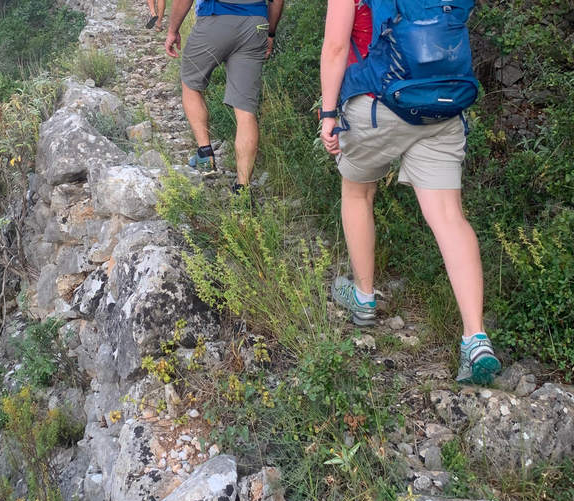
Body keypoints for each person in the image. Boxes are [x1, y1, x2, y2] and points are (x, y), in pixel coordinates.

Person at [319, 0, 502, 384]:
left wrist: (328, 113)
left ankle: (364, 298)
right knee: (450, 217)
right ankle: (476, 338)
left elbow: (337, 47)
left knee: (357, 193)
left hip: (378, 103)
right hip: (441, 105)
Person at [165, 0, 284, 194]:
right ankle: (242, 189)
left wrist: (173, 30)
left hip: (216, 18)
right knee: (246, 110)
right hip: (256, 24)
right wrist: (270, 33)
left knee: (190, 82)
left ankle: (205, 154)